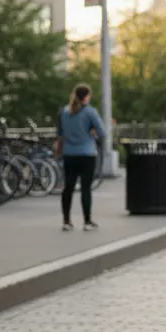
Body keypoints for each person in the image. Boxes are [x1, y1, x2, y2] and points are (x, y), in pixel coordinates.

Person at [53, 83, 106, 232]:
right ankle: (87, 222)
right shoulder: (90, 112)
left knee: (68, 187)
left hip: (69, 154)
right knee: (85, 189)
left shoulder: (64, 112)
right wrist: (92, 132)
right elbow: (102, 131)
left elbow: (60, 132)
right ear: (86, 97)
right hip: (86, 154)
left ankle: (66, 221)